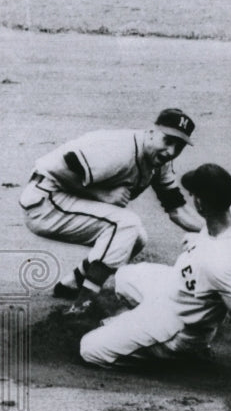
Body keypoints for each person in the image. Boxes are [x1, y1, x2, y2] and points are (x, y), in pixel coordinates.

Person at [79, 163, 231, 396]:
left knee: (89, 349)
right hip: (174, 287)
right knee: (124, 277)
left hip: (179, 326)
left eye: (194, 195)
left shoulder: (217, 263)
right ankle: (130, 324)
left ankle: (168, 355)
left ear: (200, 204)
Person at [19, 108, 204, 314]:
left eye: (179, 146)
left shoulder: (160, 162)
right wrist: (102, 195)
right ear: (151, 132)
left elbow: (176, 209)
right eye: (167, 141)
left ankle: (72, 284)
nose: (171, 151)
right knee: (126, 224)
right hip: (45, 201)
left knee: (135, 238)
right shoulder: (119, 149)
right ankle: (82, 307)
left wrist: (217, 229)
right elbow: (56, 168)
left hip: (64, 199)